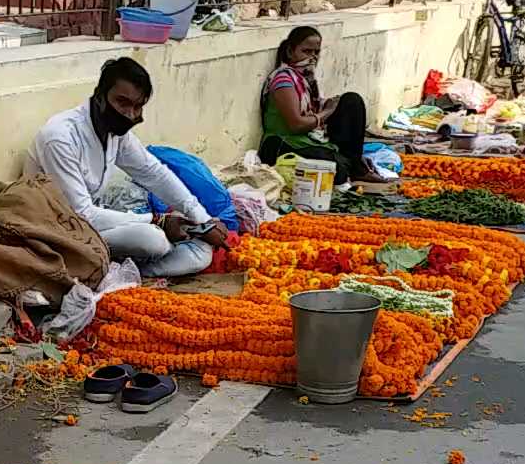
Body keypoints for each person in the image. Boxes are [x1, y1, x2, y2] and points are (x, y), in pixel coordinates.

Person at [26, 57, 230, 279]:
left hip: (93, 225)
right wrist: (157, 221)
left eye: (138, 106)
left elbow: (154, 173)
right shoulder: (60, 138)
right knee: (153, 240)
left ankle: (132, 273)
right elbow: (81, 214)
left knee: (201, 249)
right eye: (122, 103)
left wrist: (202, 220)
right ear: (100, 95)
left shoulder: (115, 132)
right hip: (58, 231)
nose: (130, 114)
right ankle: (123, 269)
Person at [259, 26, 389, 184]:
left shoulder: (306, 80)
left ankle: (355, 165)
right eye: (306, 52)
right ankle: (351, 165)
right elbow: (296, 125)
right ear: (290, 52)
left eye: (316, 52)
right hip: (284, 143)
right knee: (337, 170)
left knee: (351, 101)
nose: (312, 58)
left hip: (308, 140)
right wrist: (326, 112)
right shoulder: (283, 80)